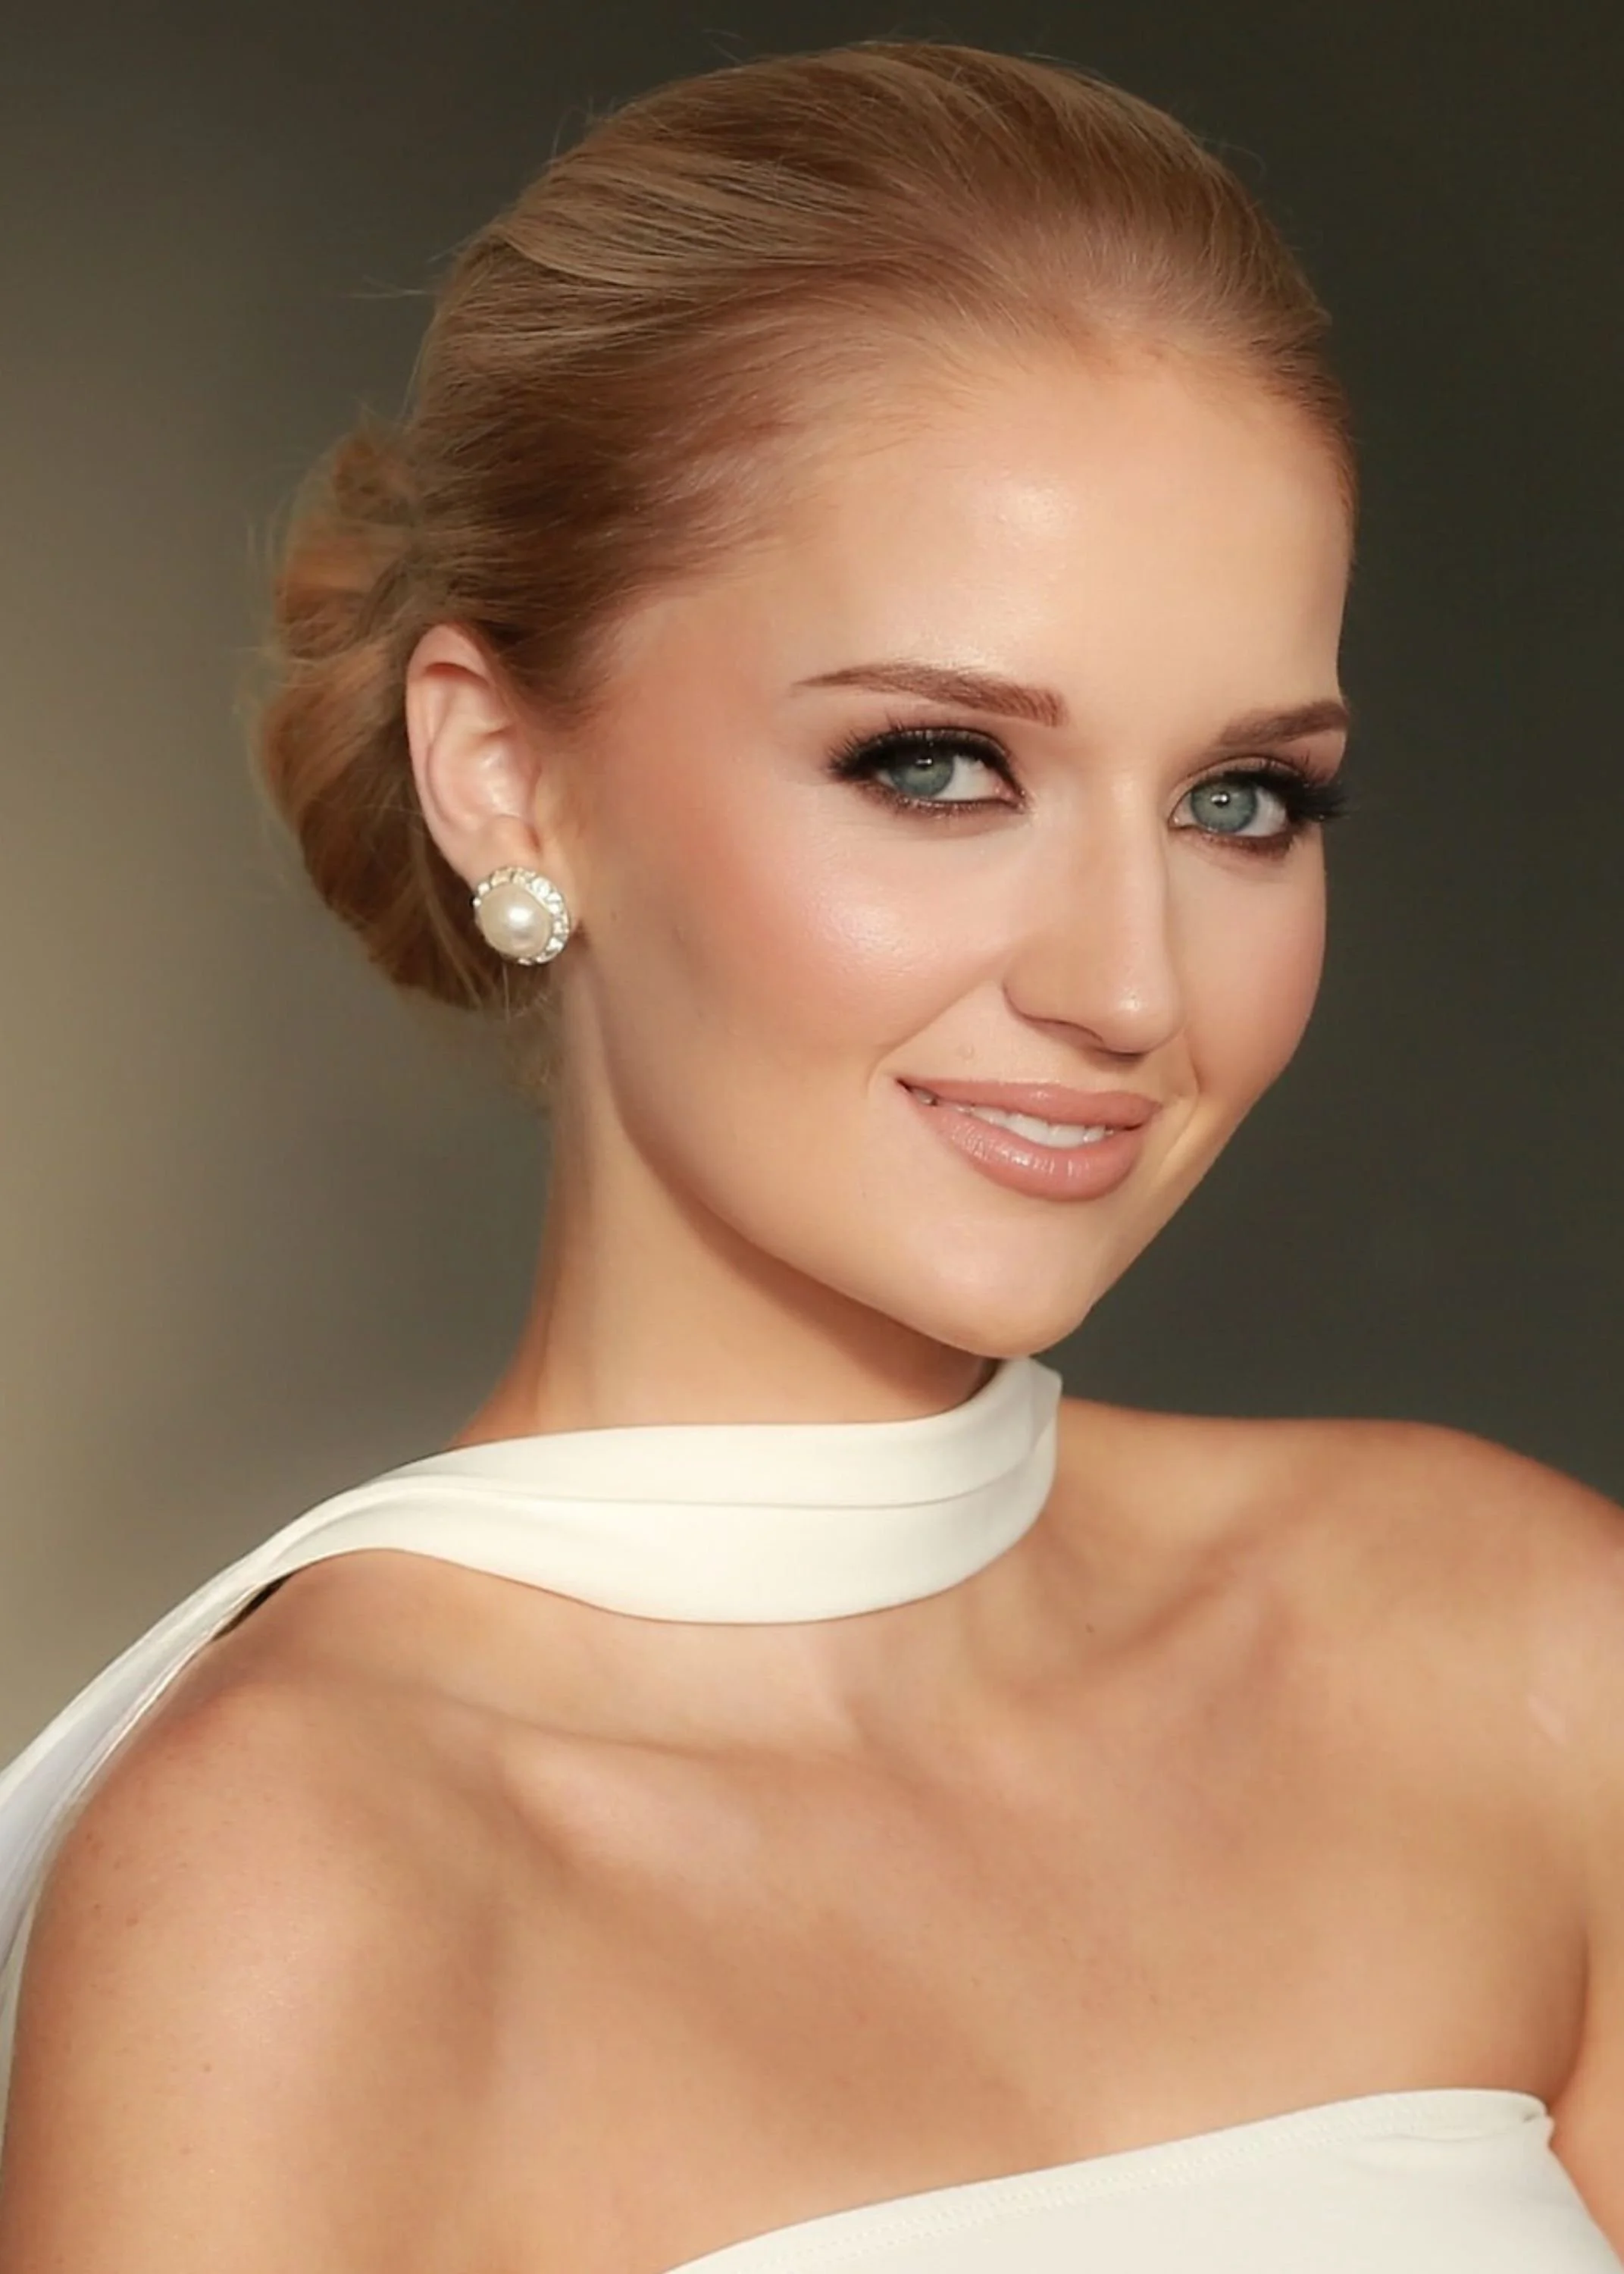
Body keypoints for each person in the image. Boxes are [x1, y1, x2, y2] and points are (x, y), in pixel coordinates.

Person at [0, 36, 1617, 2274]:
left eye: (1241, 800)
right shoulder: (305, 1882)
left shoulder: (1516, 1655)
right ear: (500, 778)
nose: (1128, 988)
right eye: (937, 764)